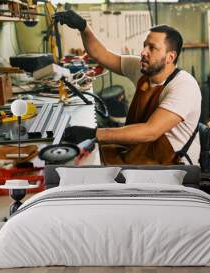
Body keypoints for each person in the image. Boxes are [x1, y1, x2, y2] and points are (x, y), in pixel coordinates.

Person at [55, 10, 201, 165]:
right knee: (83, 157)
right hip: (139, 149)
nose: (143, 52)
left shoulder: (183, 86)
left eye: (152, 48)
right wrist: (84, 27)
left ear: (170, 57)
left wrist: (93, 133)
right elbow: (101, 55)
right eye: (144, 46)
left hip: (172, 164)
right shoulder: (143, 69)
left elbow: (151, 131)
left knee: (89, 165)